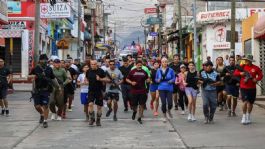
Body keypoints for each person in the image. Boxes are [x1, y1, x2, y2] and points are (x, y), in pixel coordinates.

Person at [30, 54, 60, 128]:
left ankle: (45, 121)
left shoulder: (49, 69)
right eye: (43, 59)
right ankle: (42, 114)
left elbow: (53, 78)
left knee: (45, 106)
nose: (45, 61)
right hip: (37, 90)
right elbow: (29, 76)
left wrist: (58, 87)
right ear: (40, 60)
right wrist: (33, 76)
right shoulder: (36, 68)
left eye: (46, 59)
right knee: (37, 106)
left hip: (46, 90)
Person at [234, 55, 263, 125]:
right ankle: (243, 116)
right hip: (243, 87)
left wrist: (256, 79)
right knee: (245, 101)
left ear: (250, 61)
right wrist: (241, 73)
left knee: (250, 103)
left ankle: (248, 116)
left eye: (247, 60)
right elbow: (235, 73)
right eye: (245, 60)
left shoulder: (255, 68)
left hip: (252, 88)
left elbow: (261, 75)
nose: (245, 61)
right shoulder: (242, 66)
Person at [126, 60, 150, 124]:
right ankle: (134, 112)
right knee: (134, 105)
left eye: (140, 65)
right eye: (138, 65)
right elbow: (127, 79)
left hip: (142, 90)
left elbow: (148, 79)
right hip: (134, 91)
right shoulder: (132, 72)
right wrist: (131, 82)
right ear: (136, 65)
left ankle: (139, 118)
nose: (139, 66)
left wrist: (148, 80)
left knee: (142, 104)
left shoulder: (144, 72)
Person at [86, 60, 107, 126]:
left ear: (97, 64)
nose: (93, 65)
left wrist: (100, 79)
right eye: (92, 64)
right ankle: (92, 118)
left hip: (99, 90)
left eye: (94, 64)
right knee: (90, 104)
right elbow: (87, 78)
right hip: (91, 90)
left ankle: (98, 120)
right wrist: (86, 82)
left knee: (99, 107)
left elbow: (106, 79)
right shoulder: (88, 71)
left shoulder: (101, 71)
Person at [156, 57, 175, 122]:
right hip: (161, 88)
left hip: (169, 88)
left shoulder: (171, 70)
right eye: (163, 62)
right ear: (161, 63)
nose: (165, 63)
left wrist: (171, 81)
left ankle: (169, 110)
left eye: (166, 62)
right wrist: (158, 80)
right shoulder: (158, 70)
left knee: (170, 103)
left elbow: (174, 78)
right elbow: (156, 79)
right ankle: (164, 116)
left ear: (167, 63)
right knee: (163, 103)